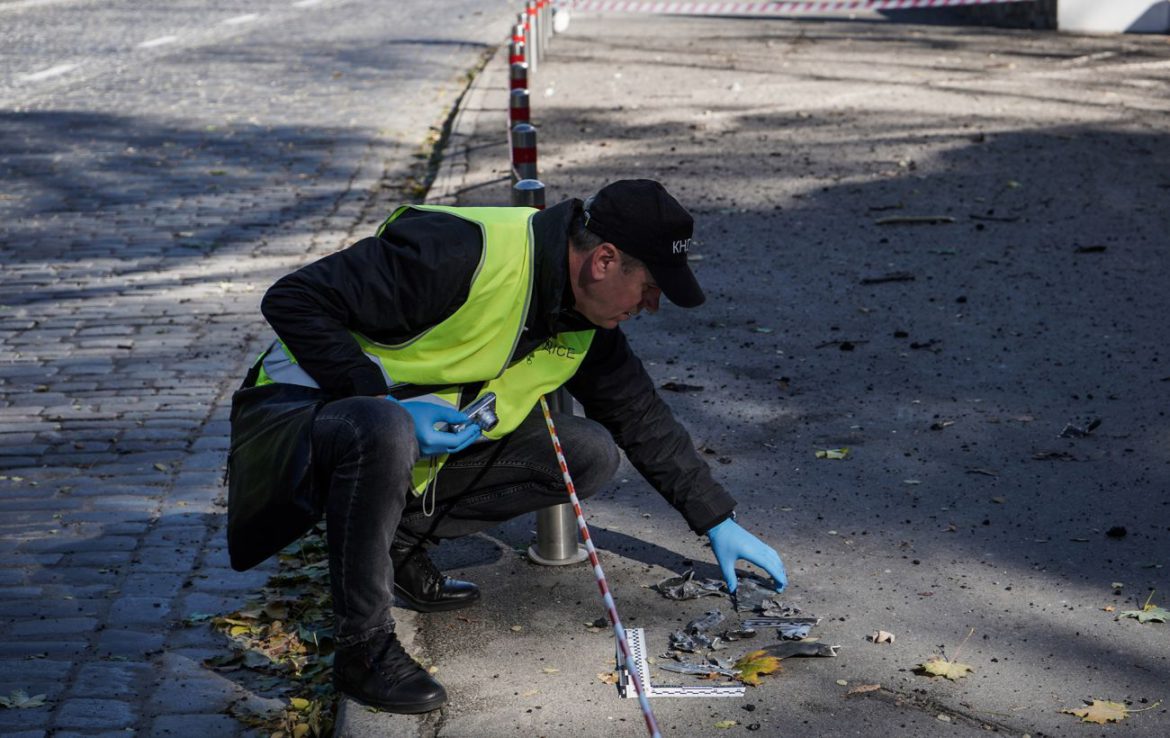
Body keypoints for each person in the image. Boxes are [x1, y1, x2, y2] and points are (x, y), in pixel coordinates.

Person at [226, 179, 787, 714]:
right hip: (301, 421)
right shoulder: (457, 252)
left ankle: (395, 544)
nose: (651, 307)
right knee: (385, 427)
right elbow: (292, 297)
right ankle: (362, 650)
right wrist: (382, 398)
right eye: (650, 289)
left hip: (399, 448)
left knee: (587, 452)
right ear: (605, 259)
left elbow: (639, 415)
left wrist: (715, 518)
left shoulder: (582, 314)